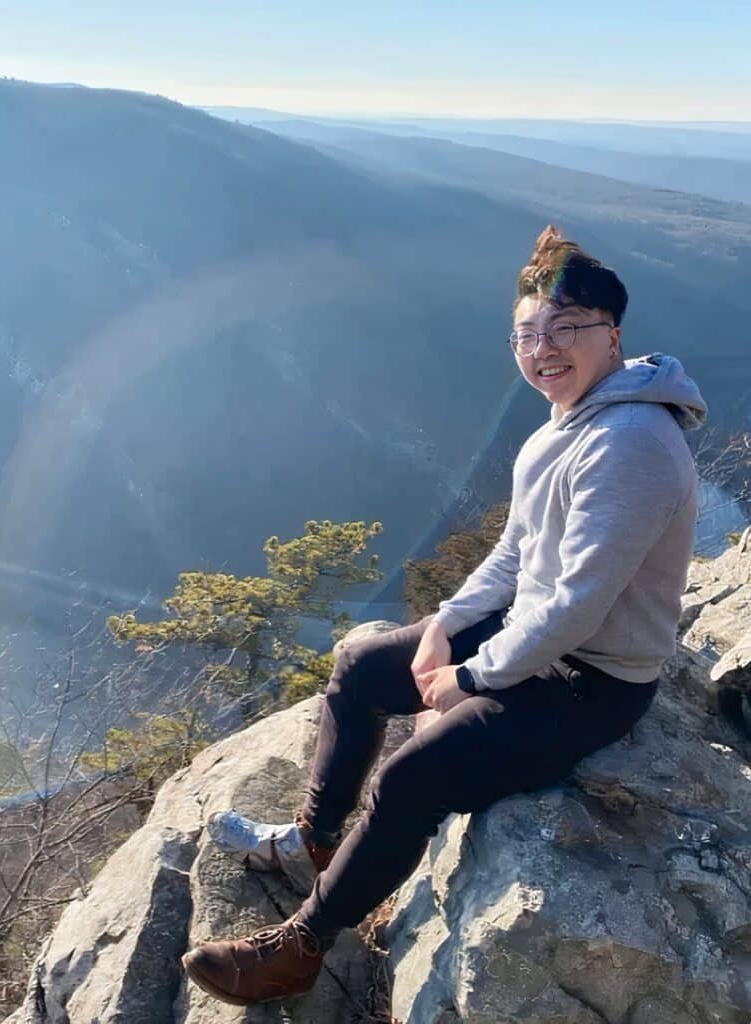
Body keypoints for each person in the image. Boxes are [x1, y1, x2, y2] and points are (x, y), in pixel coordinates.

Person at [180, 225, 708, 1007]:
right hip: (538, 638)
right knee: (362, 669)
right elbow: (515, 552)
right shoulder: (566, 426)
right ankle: (318, 842)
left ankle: (300, 945)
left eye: (566, 329)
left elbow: (577, 602)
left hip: (591, 680)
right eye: (527, 333)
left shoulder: (629, 442)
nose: (542, 350)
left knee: (412, 775)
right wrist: (446, 623)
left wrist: (471, 676)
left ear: (613, 335)